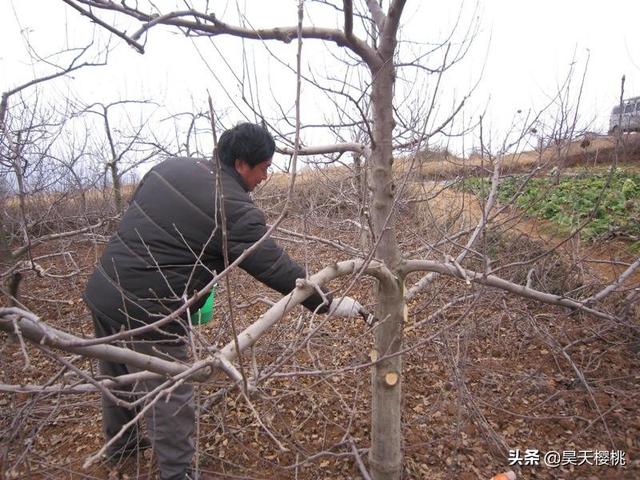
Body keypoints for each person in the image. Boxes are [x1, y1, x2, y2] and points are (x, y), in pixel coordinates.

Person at [83, 122, 363, 480]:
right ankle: (178, 473)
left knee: (117, 374)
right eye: (264, 167)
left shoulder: (169, 167)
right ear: (243, 164)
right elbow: (275, 266)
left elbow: (149, 225)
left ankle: (121, 447)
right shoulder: (233, 207)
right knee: (169, 394)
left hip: (105, 289)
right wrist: (327, 303)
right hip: (151, 310)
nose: (267, 175)